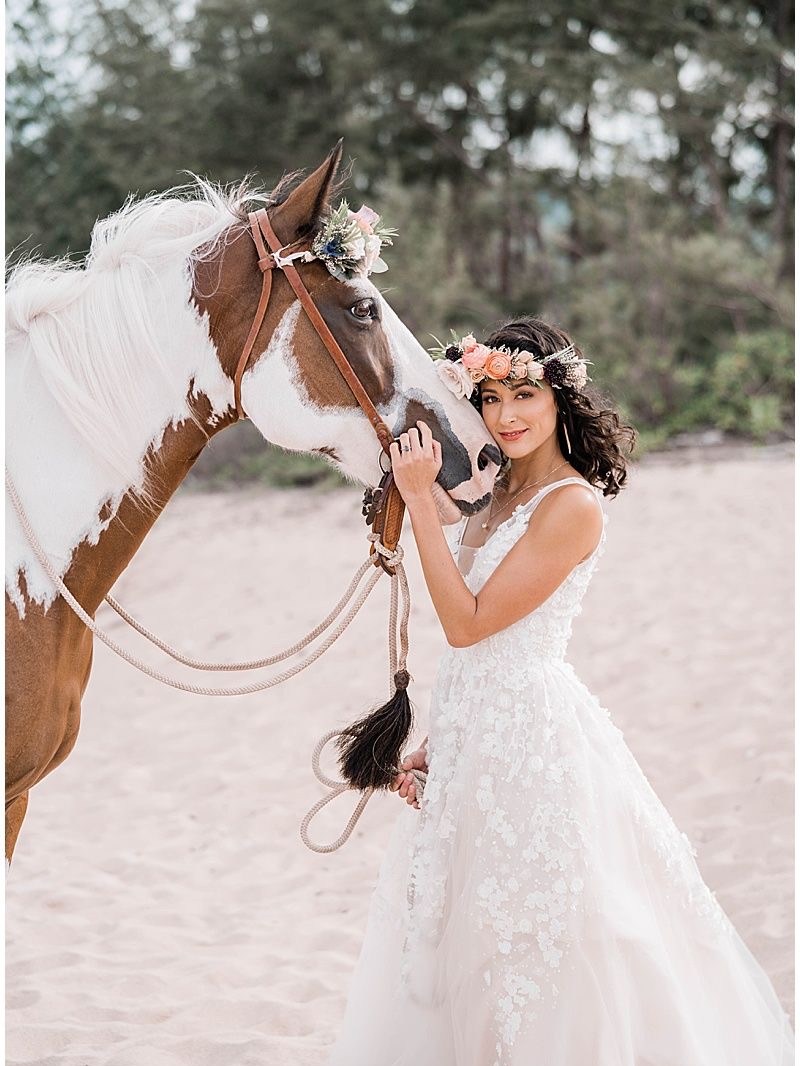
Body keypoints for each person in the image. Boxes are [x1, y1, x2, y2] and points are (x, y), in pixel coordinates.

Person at [326, 317, 794, 1066]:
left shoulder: (571, 506)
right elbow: (477, 654)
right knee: (461, 943)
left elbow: (469, 624)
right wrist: (436, 743)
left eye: (523, 395)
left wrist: (420, 503)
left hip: (533, 751)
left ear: (559, 400)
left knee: (541, 944)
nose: (506, 415)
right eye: (489, 397)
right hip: (474, 736)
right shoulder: (498, 488)